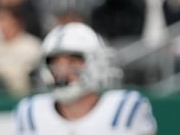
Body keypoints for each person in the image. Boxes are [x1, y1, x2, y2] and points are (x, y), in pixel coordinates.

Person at [14, 22, 157, 135]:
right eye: (55, 62)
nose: (63, 70)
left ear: (97, 63)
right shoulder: (30, 113)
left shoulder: (125, 109)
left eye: (74, 60)